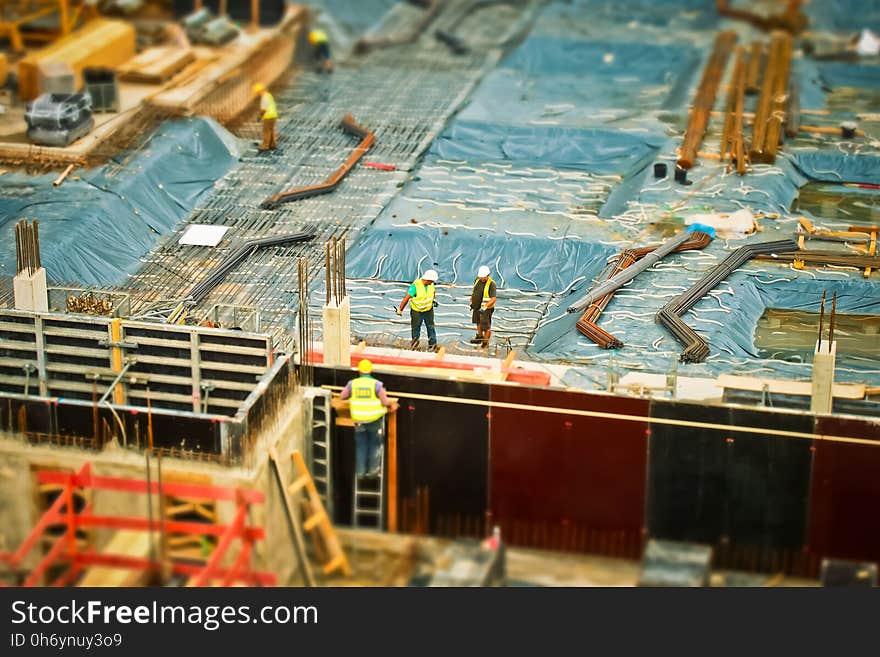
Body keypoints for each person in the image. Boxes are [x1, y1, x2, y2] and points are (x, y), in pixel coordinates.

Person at [340, 359, 396, 478]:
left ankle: (360, 472)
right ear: (370, 371)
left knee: (361, 445)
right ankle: (373, 470)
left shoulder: (352, 384)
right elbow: (385, 401)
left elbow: (342, 396)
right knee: (375, 444)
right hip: (374, 419)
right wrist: (393, 405)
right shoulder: (376, 385)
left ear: (359, 371)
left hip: (359, 421)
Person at [397, 269, 439, 351]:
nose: (432, 283)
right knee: (416, 329)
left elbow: (433, 291)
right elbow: (406, 298)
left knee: (431, 327)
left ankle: (432, 346)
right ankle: (415, 346)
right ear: (427, 279)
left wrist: (434, 300)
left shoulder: (431, 284)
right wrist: (400, 310)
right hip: (417, 312)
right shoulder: (415, 286)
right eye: (431, 281)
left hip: (428, 310)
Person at [470, 265, 497, 348]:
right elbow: (474, 291)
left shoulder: (491, 284)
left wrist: (485, 307)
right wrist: (471, 300)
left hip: (485, 309)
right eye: (481, 277)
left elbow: (493, 299)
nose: (482, 278)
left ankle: (485, 343)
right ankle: (479, 337)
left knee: (486, 326)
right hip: (476, 306)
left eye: (484, 277)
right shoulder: (477, 280)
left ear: (488, 275)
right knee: (477, 322)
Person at [253, 83, 277, 151]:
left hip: (268, 116)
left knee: (266, 131)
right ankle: (273, 144)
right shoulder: (268, 95)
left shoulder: (264, 97)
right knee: (271, 130)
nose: (258, 94)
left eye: (257, 92)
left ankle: (265, 146)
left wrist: (260, 116)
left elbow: (264, 109)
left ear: (260, 91)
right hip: (274, 115)